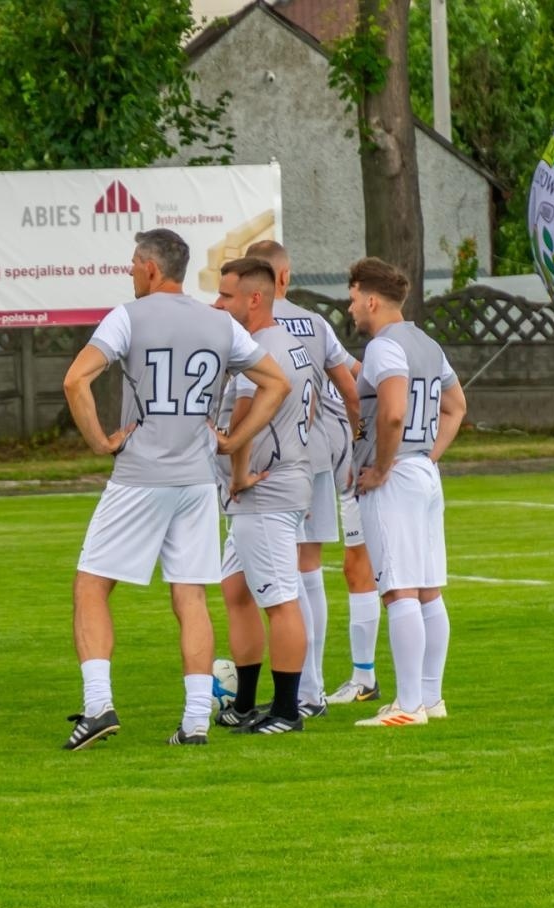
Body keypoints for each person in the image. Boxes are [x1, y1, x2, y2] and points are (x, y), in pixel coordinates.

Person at [61, 228, 290, 749]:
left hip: (141, 475)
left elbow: (76, 380)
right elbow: (277, 383)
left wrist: (100, 441)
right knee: (190, 595)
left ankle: (98, 706)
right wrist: (232, 442)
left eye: (132, 264)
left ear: (148, 267)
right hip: (195, 480)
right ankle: (195, 721)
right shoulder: (217, 322)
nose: (130, 272)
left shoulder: (128, 316)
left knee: (92, 586)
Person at [244, 238, 381, 709]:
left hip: (267, 467)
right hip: (319, 457)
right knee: (307, 571)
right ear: (285, 275)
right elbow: (349, 386)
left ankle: (297, 689)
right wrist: (354, 446)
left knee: (276, 579)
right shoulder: (316, 322)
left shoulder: (250, 324)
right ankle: (312, 686)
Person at [347, 257, 466, 726]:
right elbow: (456, 407)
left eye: (354, 298)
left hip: (395, 479)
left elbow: (392, 412)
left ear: (372, 300)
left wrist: (381, 467)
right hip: (422, 474)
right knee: (428, 590)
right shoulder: (428, 343)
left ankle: (409, 705)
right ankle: (430, 698)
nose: (351, 307)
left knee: (398, 591)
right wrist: (428, 456)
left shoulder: (384, 347)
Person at [211, 258, 320, 735]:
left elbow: (243, 421)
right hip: (280, 484)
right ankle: (246, 702)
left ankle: (287, 710)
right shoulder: (293, 346)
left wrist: (238, 471)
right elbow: (309, 410)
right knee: (237, 591)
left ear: (254, 298)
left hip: (263, 491)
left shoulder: (254, 353)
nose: (218, 304)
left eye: (227, 296)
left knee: (280, 600)